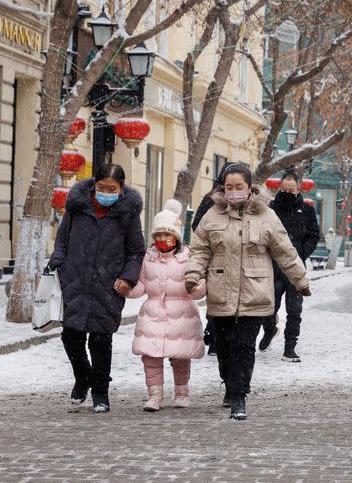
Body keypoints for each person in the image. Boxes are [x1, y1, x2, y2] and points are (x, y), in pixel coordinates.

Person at [185, 163, 311, 420]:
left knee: (243, 346)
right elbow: (199, 249)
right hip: (221, 293)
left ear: (250, 187)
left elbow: (285, 251)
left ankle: (239, 396)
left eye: (238, 187)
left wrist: (300, 280)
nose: (233, 192)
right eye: (229, 187)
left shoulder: (266, 215)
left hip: (255, 293)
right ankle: (230, 384)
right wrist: (193, 274)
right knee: (223, 347)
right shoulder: (212, 215)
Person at [49, 164, 146, 413]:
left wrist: (128, 277)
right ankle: (83, 378)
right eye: (101, 188)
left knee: (101, 340)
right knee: (71, 336)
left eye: (111, 189)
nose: (105, 192)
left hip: (109, 284)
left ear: (121, 189)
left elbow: (136, 251)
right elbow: (62, 239)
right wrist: (59, 263)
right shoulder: (78, 207)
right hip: (75, 280)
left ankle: (101, 392)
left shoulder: (128, 213)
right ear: (94, 185)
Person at [130, 200, 206, 412]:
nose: (163, 239)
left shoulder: (188, 256)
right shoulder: (148, 257)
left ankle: (182, 392)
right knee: (150, 357)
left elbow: (198, 285)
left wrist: (197, 288)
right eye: (158, 235)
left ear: (176, 235)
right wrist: (128, 289)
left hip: (181, 312)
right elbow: (142, 285)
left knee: (180, 356)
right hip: (153, 312)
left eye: (167, 234)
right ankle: (155, 395)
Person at [259, 171, 321, 361]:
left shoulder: (307, 210)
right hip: (273, 268)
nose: (287, 192)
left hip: (295, 268)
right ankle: (270, 329)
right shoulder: (270, 209)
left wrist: (302, 252)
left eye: (290, 189)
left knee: (294, 311)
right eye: (284, 189)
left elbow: (314, 235)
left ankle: (290, 348)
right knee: (268, 307)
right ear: (279, 188)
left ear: (298, 189)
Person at [192, 163, 235, 357]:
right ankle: (215, 334)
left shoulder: (244, 200)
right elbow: (197, 226)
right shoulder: (211, 200)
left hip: (232, 260)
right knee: (219, 296)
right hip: (216, 259)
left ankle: (216, 334)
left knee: (220, 297)